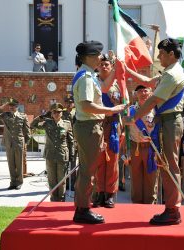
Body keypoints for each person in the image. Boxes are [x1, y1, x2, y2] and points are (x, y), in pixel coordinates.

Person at [124, 38, 184, 225]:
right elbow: (149, 82)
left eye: (162, 54)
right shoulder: (169, 72)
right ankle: (171, 208)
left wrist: (133, 118)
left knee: (169, 166)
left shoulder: (171, 75)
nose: (159, 57)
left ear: (171, 55)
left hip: (169, 122)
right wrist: (127, 71)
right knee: (166, 165)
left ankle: (173, 210)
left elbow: (152, 101)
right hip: (165, 121)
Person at [72, 41, 125, 224]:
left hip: (89, 127)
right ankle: (83, 209)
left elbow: (103, 88)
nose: (100, 59)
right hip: (89, 127)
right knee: (88, 171)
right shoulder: (86, 77)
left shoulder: (87, 75)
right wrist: (110, 110)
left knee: (88, 169)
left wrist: (116, 69)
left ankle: (81, 206)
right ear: (89, 57)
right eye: (98, 56)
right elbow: (87, 106)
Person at [92, 53, 122, 208]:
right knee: (99, 160)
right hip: (98, 124)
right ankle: (99, 192)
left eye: (107, 64)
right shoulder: (93, 82)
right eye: (101, 64)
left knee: (112, 161)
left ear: (111, 67)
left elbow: (124, 105)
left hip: (113, 126)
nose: (104, 67)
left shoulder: (118, 84)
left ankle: (110, 194)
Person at [31, 103, 72, 201]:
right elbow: (32, 125)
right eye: (54, 112)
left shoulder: (67, 123)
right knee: (52, 179)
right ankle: (54, 198)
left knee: (61, 179)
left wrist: (72, 156)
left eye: (59, 112)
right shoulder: (47, 123)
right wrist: (41, 117)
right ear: (51, 113)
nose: (57, 114)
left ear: (61, 113)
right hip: (50, 155)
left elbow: (70, 140)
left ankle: (61, 198)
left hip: (62, 155)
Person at [0, 98, 31, 190]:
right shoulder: (5, 115)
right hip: (9, 142)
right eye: (10, 106)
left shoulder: (23, 116)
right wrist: (0, 108)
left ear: (17, 107)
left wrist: (26, 142)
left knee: (19, 163)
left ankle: (19, 182)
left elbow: (27, 130)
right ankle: (13, 182)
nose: (11, 107)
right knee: (11, 163)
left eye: (13, 106)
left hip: (19, 142)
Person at [128, 85, 158, 204]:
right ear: (136, 94)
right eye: (140, 90)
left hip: (151, 148)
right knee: (135, 177)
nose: (143, 93)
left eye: (146, 90)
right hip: (135, 146)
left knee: (151, 177)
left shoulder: (156, 110)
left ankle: (150, 203)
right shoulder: (130, 110)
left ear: (151, 92)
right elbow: (125, 128)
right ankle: (136, 204)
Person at [62, 96, 77, 191]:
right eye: (67, 102)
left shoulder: (77, 113)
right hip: (65, 141)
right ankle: (66, 184)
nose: (69, 104)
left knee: (73, 164)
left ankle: (74, 184)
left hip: (75, 141)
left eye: (70, 102)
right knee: (65, 164)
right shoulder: (62, 113)